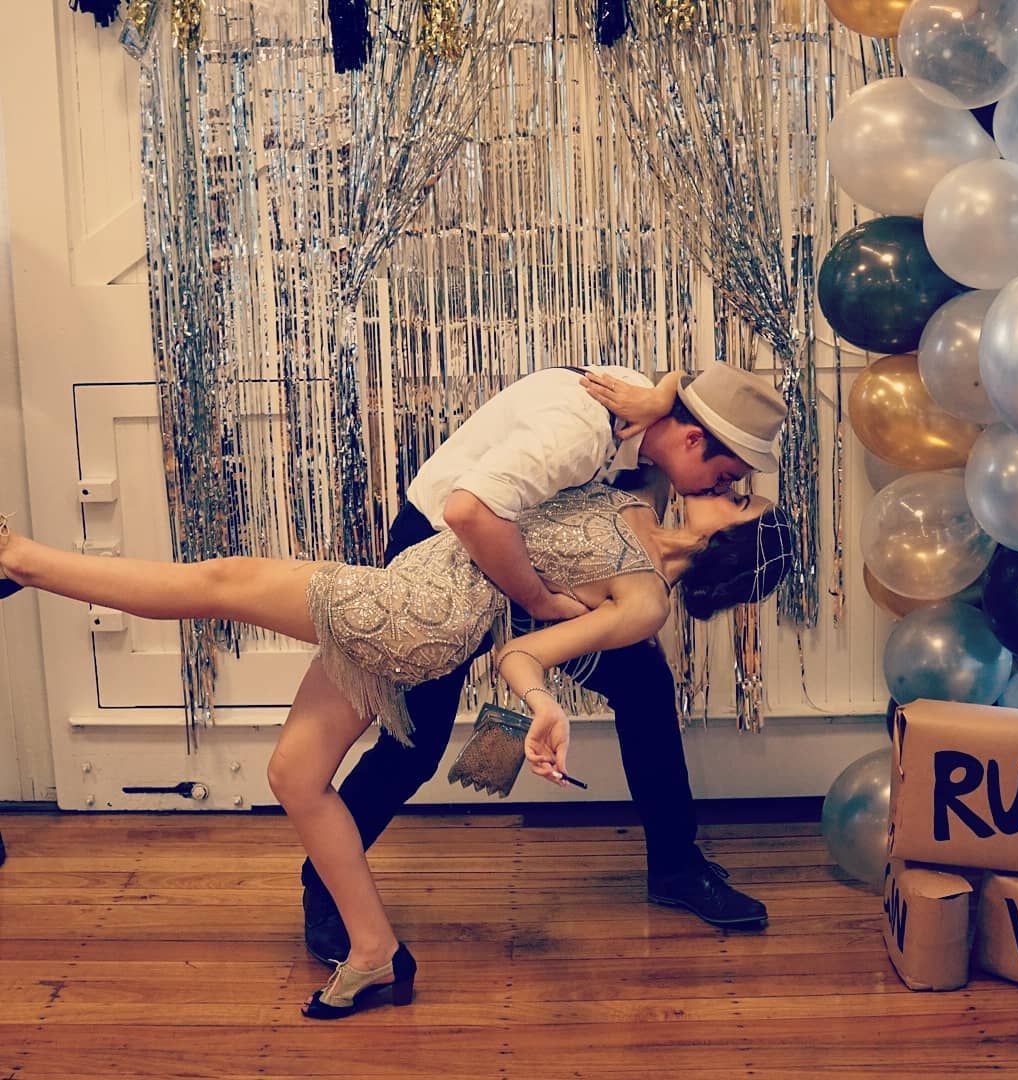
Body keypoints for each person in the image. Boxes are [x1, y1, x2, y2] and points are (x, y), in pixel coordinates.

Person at [0, 469, 791, 1017]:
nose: (728, 484)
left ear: (736, 546)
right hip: (413, 591)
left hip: (412, 618)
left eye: (741, 500)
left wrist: (540, 704)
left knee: (218, 583)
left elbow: (523, 653)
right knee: (295, 776)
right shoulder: (636, 495)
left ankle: (16, 558)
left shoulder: (645, 602)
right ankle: (375, 953)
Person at [293, 361, 790, 966]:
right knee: (414, 748)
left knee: (645, 687)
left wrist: (664, 391)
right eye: (725, 478)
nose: (719, 490)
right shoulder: (581, 427)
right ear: (691, 439)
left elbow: (688, 384)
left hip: (537, 560)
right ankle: (325, 887)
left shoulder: (649, 420)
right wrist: (535, 600)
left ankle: (676, 866)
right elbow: (471, 514)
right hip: (450, 556)